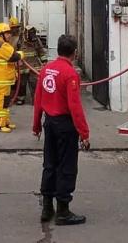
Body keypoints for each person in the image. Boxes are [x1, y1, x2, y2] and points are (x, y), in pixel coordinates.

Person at [33, 34, 89, 226]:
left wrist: (35, 126)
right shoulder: (70, 74)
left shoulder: (47, 69)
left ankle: (47, 207)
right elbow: (75, 107)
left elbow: (38, 100)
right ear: (75, 52)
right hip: (65, 126)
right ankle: (63, 211)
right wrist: (84, 133)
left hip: (49, 123)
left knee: (49, 164)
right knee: (66, 167)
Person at [0, 22, 23, 133]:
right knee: (2, 102)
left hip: (4, 79)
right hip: (2, 79)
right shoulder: (2, 45)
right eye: (7, 33)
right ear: (0, 34)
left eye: (9, 32)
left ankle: (5, 121)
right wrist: (21, 54)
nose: (9, 35)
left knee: (6, 102)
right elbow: (13, 57)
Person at [17, 26, 47, 105]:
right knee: (22, 84)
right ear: (26, 34)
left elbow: (40, 50)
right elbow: (14, 52)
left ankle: (35, 99)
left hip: (34, 66)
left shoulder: (36, 40)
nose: (33, 35)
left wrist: (44, 60)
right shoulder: (20, 40)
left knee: (34, 83)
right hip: (22, 66)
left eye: (34, 33)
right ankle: (21, 98)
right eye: (31, 34)